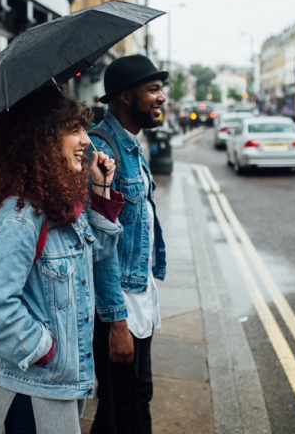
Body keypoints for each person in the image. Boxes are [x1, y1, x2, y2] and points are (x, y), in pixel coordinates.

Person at [0, 83, 124, 434]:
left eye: (83, 128)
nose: (86, 140)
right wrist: (45, 348)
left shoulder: (57, 205)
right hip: (27, 390)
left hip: (52, 385)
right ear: (43, 140)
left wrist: (101, 189)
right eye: (74, 130)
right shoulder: (19, 220)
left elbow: (95, 254)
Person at [89, 55, 169, 434]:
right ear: (125, 96)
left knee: (136, 397)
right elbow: (99, 244)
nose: (161, 97)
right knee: (123, 409)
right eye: (152, 89)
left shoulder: (132, 146)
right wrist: (116, 321)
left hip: (139, 297)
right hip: (118, 306)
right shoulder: (100, 151)